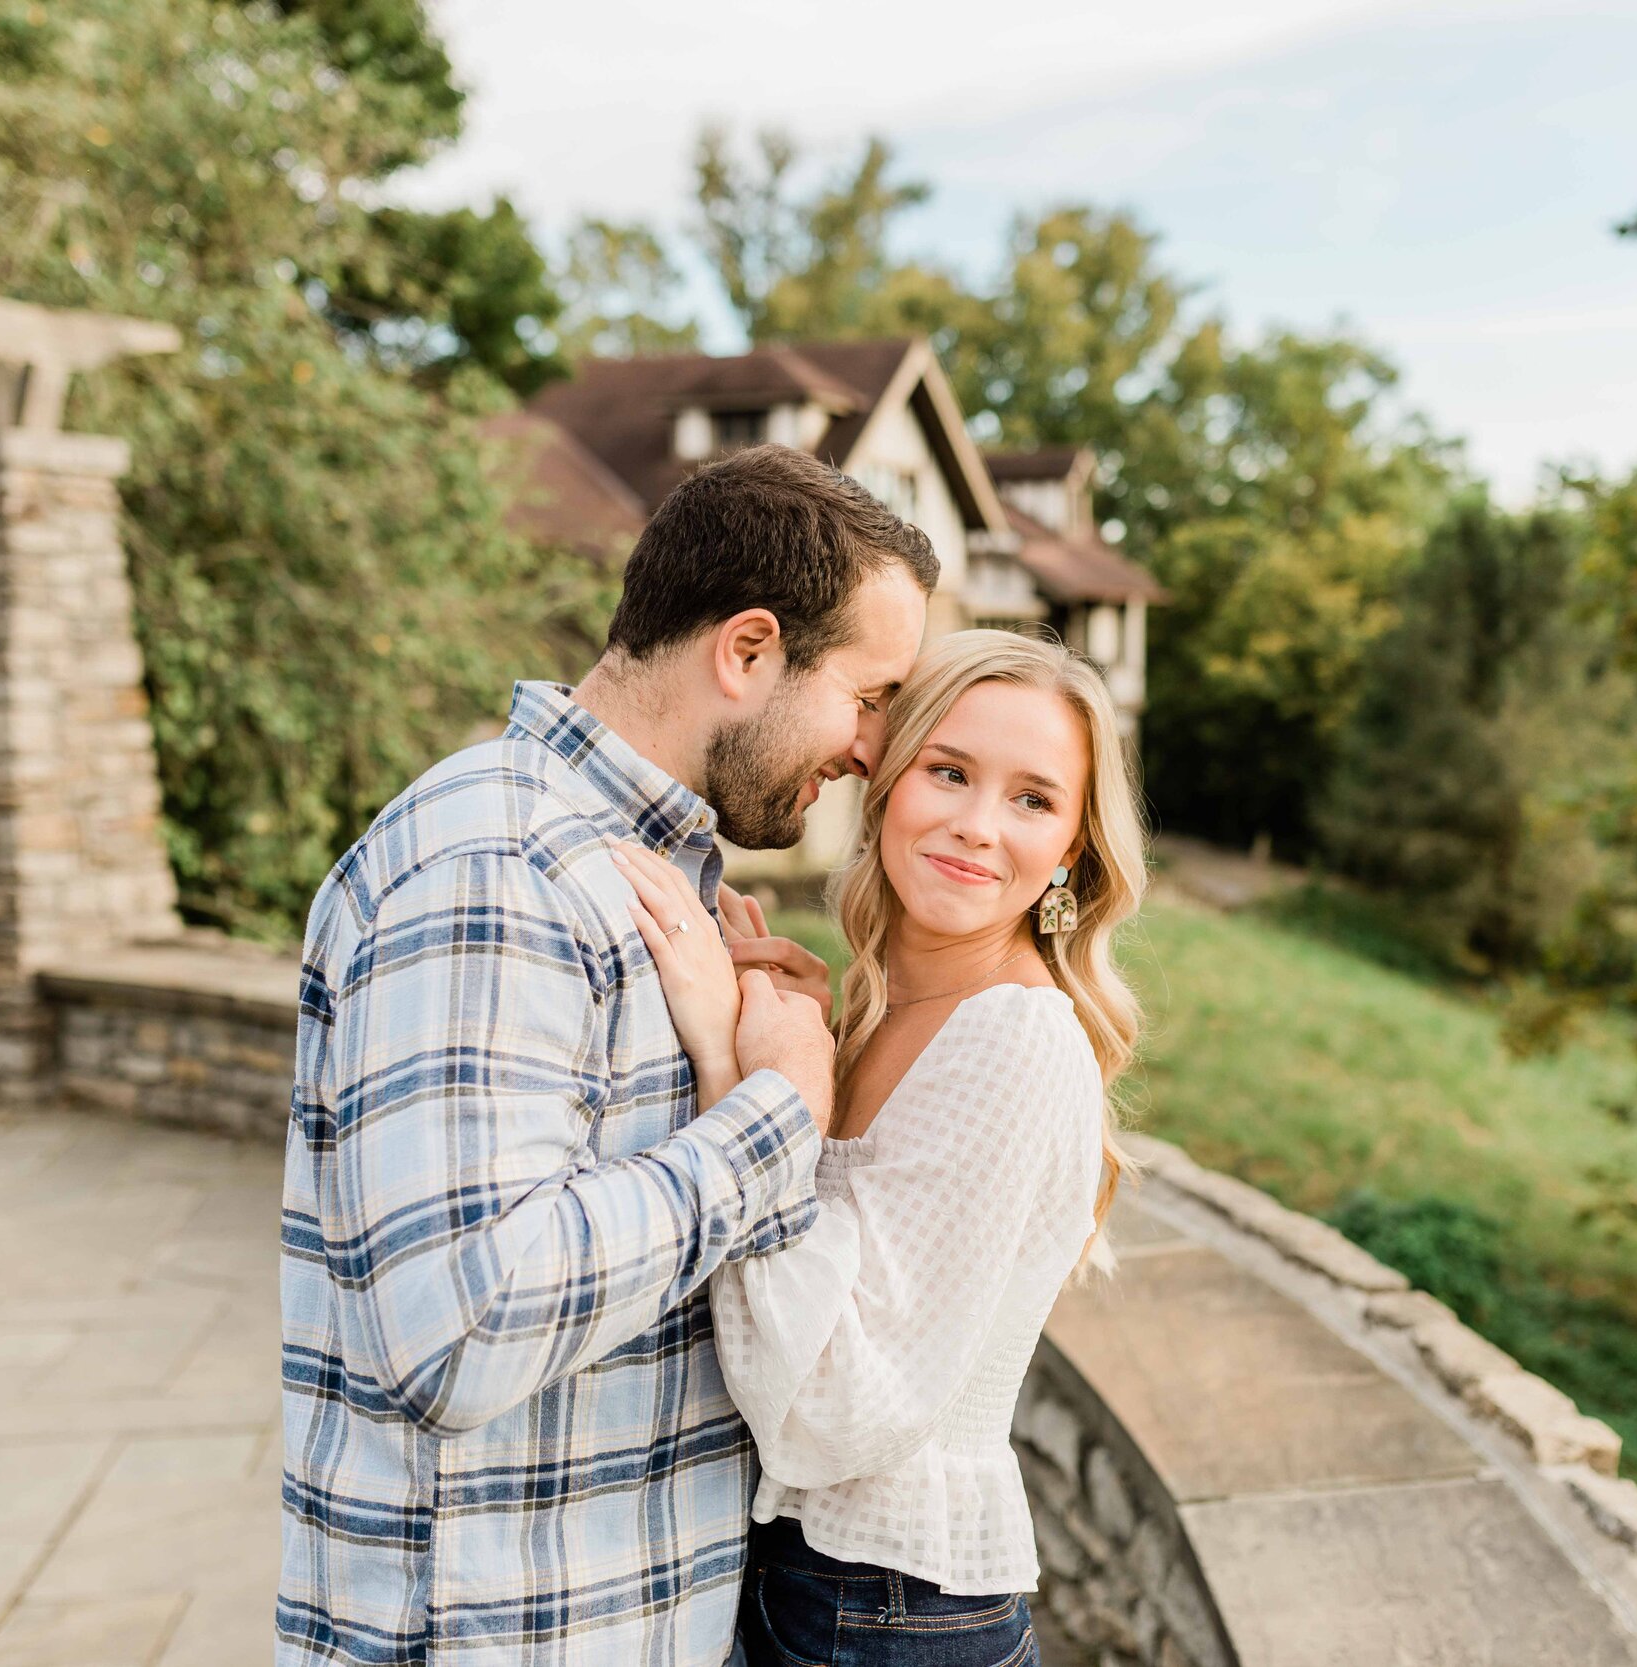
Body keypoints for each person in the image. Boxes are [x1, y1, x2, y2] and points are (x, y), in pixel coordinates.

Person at [277, 444, 938, 1667]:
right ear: (746, 651)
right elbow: (461, 1326)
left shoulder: (644, 879)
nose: (871, 748)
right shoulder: (498, 870)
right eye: (867, 694)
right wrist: (774, 1113)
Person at [611, 630, 1148, 1667]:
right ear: (887, 780)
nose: (977, 825)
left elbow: (833, 1417)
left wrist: (747, 1087)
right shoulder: (879, 1013)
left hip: (888, 1611)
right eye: (949, 771)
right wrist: (786, 1050)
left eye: (1033, 798)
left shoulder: (1012, 1037)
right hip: (820, 1585)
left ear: (1073, 849)